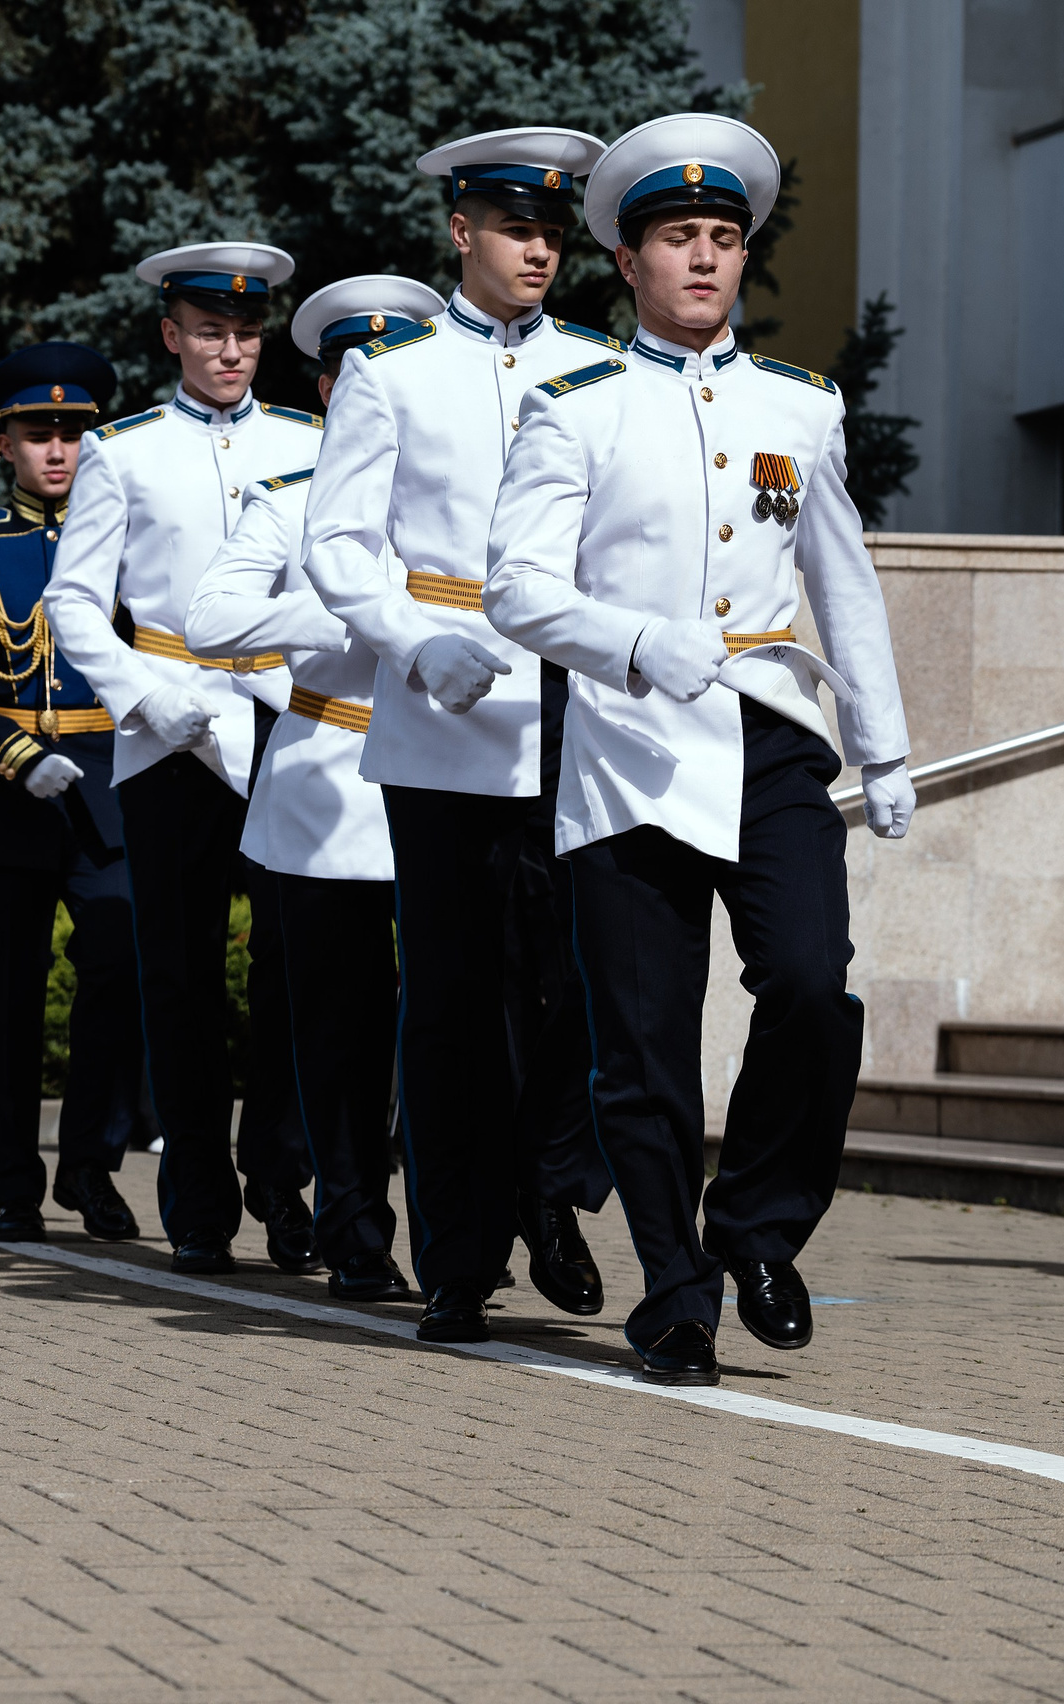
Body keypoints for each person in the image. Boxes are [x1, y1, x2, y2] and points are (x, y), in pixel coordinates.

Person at [482, 113, 913, 1385]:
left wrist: (879, 750)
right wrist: (623, 644)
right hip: (625, 747)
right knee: (645, 1040)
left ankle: (758, 1231)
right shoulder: (577, 409)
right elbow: (515, 589)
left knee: (810, 986)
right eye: (680, 238)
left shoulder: (801, 408)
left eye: (724, 238)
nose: (707, 260)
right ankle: (676, 1290)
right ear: (628, 259)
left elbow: (846, 584)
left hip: (772, 735)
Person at [298, 125, 617, 1343]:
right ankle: (458, 1256)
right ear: (461, 233)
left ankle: (549, 1182)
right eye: (513, 230)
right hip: (442, 716)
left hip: (579, 706)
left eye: (550, 232)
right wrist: (408, 638)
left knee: (582, 981)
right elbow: (337, 541)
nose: (536, 251)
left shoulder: (598, 368)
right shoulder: (394, 371)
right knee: (448, 999)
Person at [42, 242, 323, 1276]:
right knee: (180, 975)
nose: (231, 351)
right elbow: (73, 598)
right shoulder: (125, 451)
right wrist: (140, 693)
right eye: (210, 332)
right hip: (169, 732)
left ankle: (285, 1182)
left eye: (247, 334)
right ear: (171, 335)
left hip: (286, 721)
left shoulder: (309, 437)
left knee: (295, 969)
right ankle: (197, 1196)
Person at [185, 272, 448, 1301]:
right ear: (333, 391)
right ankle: (351, 1221)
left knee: (449, 1013)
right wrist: (338, 616)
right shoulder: (290, 505)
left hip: (449, 776)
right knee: (336, 1026)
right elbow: (210, 620)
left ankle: (468, 1215)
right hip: (326, 786)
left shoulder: (462, 502)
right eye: (356, 373)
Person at [0, 343, 144, 1246]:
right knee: (6, 995)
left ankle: (90, 1161)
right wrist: (6, 752)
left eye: (74, 434)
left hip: (111, 783)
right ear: (4, 444)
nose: (58, 451)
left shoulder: (126, 532)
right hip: (12, 791)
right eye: (38, 435)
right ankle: (12, 1178)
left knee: (118, 971)